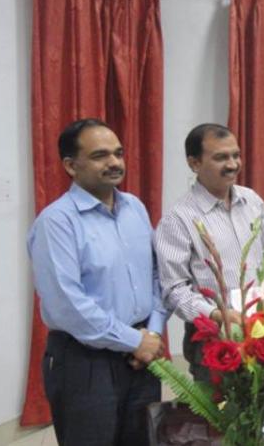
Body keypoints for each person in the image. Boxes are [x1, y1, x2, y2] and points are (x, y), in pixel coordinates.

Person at [28, 118, 167, 445]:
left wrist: (153, 333)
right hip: (84, 360)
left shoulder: (135, 207)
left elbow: (157, 276)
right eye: (100, 155)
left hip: (142, 357)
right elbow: (67, 306)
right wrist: (134, 341)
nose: (115, 162)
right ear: (71, 166)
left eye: (118, 153)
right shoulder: (56, 222)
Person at [154, 123, 264, 381]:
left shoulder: (253, 202)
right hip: (214, 337)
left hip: (262, 329)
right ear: (194, 163)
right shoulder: (178, 219)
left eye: (235, 155)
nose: (233, 164)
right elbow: (173, 289)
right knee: (221, 416)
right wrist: (217, 315)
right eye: (221, 157)